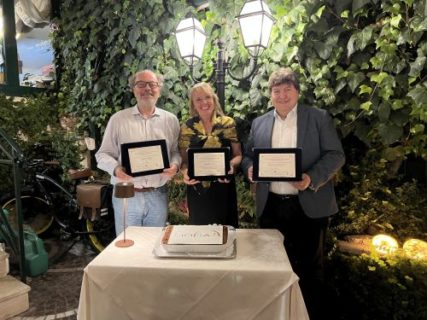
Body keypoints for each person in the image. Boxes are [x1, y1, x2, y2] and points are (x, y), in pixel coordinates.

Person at [241, 67, 345, 320]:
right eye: (277, 91)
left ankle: (308, 315)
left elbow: (336, 155)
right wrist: (250, 169)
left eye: (288, 89)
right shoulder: (260, 123)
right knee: (272, 267)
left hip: (308, 204)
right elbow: (248, 156)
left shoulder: (318, 118)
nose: (282, 95)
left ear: (297, 92)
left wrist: (311, 178)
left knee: (310, 269)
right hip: (272, 206)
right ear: (270, 95)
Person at [96, 69, 181, 235]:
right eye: (141, 84)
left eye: (152, 84)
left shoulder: (170, 120)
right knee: (127, 245)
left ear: (159, 89)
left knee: (154, 243)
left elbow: (175, 152)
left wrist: (175, 165)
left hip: (158, 194)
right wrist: (116, 169)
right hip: (126, 194)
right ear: (133, 90)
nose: (147, 88)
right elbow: (102, 154)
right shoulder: (118, 119)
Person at [179, 82, 241, 227]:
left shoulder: (228, 123)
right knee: (199, 234)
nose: (204, 102)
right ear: (193, 104)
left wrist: (231, 165)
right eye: (198, 99)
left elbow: (238, 154)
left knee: (226, 232)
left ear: (214, 99)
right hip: (197, 189)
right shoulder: (186, 127)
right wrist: (185, 173)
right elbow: (183, 162)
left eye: (207, 97)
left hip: (223, 186)